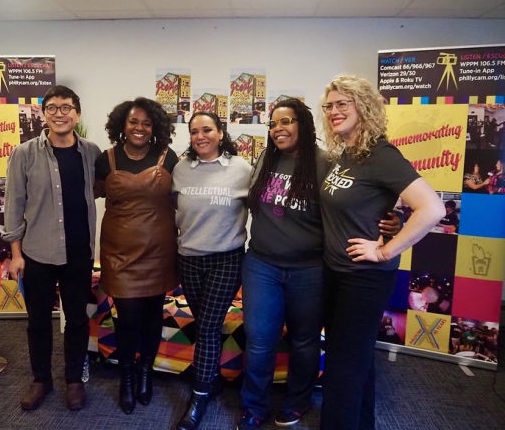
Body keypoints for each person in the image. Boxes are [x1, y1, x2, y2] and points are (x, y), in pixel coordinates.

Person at [237, 98, 401, 430]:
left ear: (304, 124)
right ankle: (254, 405)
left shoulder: (328, 162)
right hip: (261, 265)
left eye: (286, 122)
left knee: (305, 339)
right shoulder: (265, 160)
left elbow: (352, 205)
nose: (277, 129)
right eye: (273, 124)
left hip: (309, 268)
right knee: (258, 340)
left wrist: (390, 225)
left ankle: (297, 401)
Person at [318, 74, 445, 430]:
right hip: (337, 273)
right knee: (357, 361)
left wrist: (386, 251)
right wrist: (391, 218)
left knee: (343, 366)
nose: (334, 111)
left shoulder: (382, 155)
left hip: (364, 278)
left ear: (364, 107)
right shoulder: (347, 154)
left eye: (343, 104)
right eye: (329, 106)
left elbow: (433, 209)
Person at [1, 85, 101, 411]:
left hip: (78, 254)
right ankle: (40, 379)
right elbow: (13, 207)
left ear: (78, 114)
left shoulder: (91, 153)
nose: (60, 113)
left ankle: (74, 380)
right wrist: (16, 255)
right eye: (53, 108)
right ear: (44, 114)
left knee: (76, 319)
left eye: (67, 107)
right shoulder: (24, 153)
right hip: (37, 253)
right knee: (38, 320)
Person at [94, 97, 179, 415]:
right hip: (119, 254)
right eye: (133, 122)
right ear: (122, 126)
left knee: (153, 315)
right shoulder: (106, 160)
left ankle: (146, 372)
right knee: (127, 318)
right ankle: (127, 376)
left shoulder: (168, 158)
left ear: (154, 127)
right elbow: (86, 193)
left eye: (146, 123)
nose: (140, 128)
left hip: (159, 252)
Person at [171, 111, 251, 430]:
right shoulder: (180, 169)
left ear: (220, 133)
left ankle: (199, 396)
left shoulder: (241, 168)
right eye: (194, 131)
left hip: (226, 259)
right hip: (188, 258)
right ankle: (213, 378)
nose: (200, 136)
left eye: (207, 130)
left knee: (206, 326)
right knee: (204, 322)